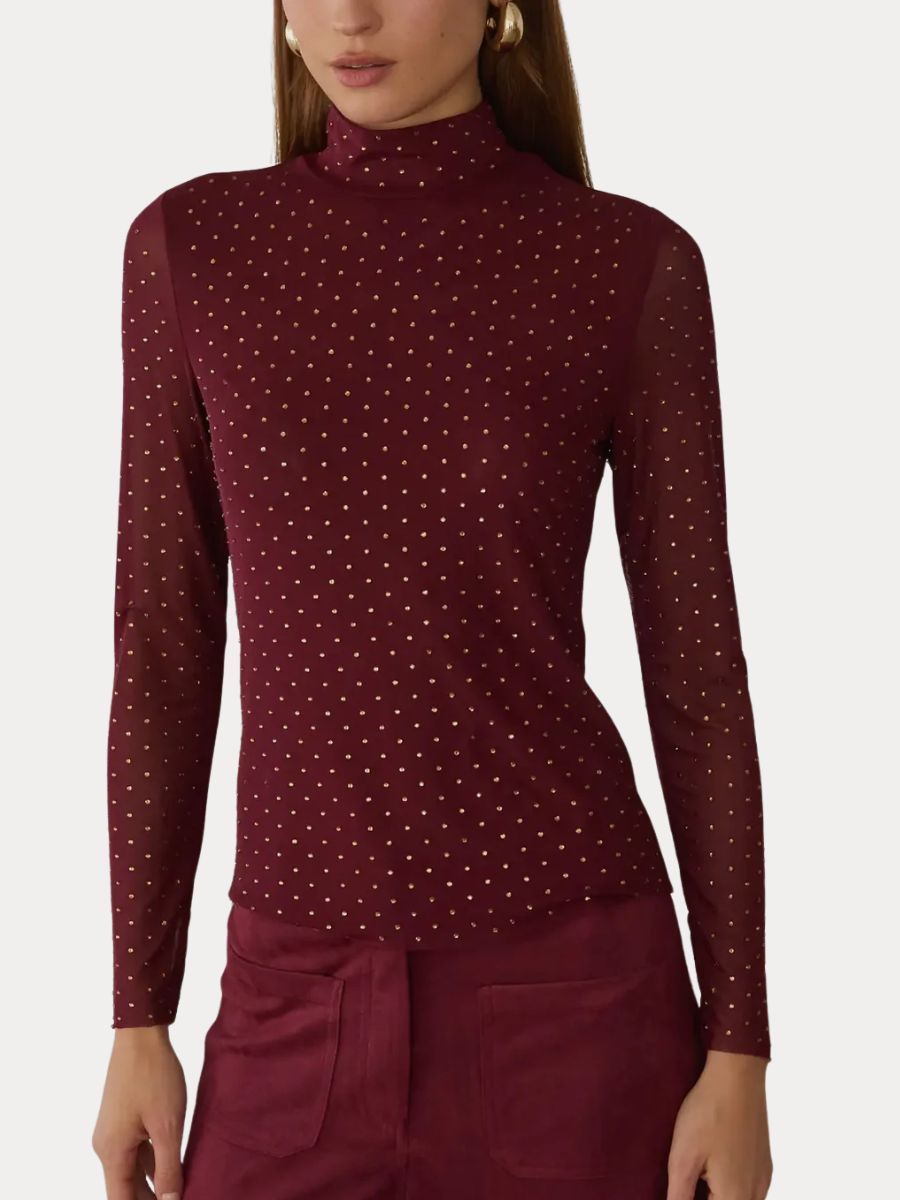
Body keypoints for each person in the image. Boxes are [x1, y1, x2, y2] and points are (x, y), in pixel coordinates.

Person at [92, 3, 774, 1198]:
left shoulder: (625, 263)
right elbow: (163, 652)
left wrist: (739, 1044)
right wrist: (136, 1017)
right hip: (290, 1000)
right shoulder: (194, 249)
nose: (351, 16)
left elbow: (698, 677)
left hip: (575, 1003)